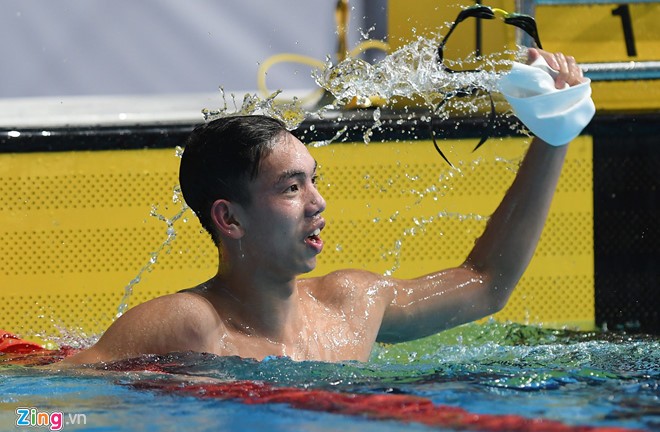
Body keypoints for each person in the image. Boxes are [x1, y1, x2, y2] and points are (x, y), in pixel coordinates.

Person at [63, 48, 591, 364]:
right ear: (229, 219)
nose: (318, 203)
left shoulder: (351, 305)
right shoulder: (189, 324)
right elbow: (39, 411)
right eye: (291, 188)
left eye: (314, 182)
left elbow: (485, 283)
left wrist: (553, 134)